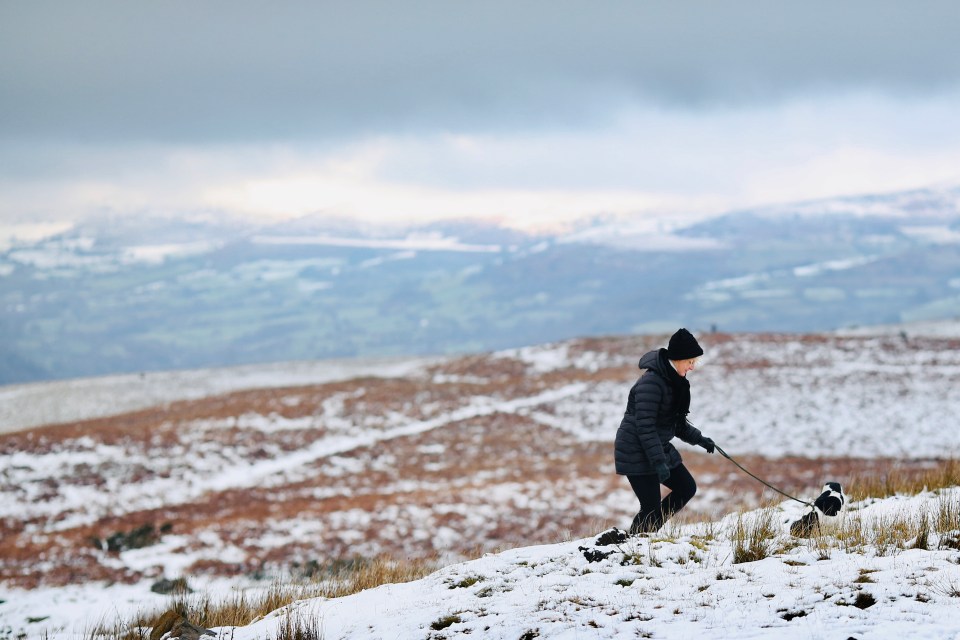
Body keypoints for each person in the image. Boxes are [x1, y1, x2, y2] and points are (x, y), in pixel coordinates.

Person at [614, 328, 716, 534]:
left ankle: (647, 533)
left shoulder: (674, 382)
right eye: (690, 362)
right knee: (650, 507)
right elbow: (645, 427)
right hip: (636, 450)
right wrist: (659, 462)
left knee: (686, 487)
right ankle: (634, 543)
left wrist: (700, 439)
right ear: (678, 359)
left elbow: (676, 423)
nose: (692, 367)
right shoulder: (651, 384)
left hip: (655, 447)